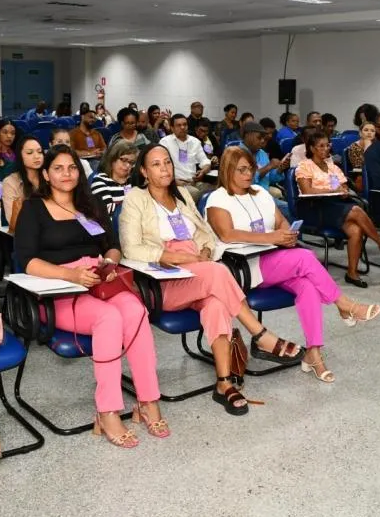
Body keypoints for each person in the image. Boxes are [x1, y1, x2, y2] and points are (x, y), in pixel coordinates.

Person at [119, 144, 304, 415]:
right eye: (156, 164)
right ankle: (261, 335)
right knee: (219, 273)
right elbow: (131, 248)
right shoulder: (136, 199)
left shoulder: (181, 194)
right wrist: (181, 258)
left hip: (199, 271)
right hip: (163, 281)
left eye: (167, 162)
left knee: (216, 304)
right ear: (144, 172)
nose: (165, 168)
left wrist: (204, 250)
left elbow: (205, 233)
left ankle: (224, 382)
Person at [14, 145, 165, 447]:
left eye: (72, 167)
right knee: (109, 319)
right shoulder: (33, 207)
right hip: (58, 289)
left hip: (99, 280)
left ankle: (148, 401)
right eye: (58, 168)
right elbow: (28, 260)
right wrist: (71, 275)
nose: (66, 174)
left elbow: (111, 245)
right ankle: (107, 410)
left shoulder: (91, 203)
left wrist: (109, 261)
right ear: (46, 173)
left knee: (135, 310)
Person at [207, 147, 380, 383]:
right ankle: (344, 304)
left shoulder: (260, 192)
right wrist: (272, 238)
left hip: (272, 257)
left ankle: (314, 353)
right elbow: (226, 234)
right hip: (243, 265)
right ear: (228, 171)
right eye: (242, 170)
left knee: (307, 286)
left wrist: (286, 235)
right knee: (306, 257)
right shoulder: (218, 197)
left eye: (251, 168)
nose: (248, 174)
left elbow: (282, 222)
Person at [296, 131, 380, 287]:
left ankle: (352, 273)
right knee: (356, 210)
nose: (325, 149)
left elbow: (340, 187)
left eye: (327, 145)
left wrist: (342, 192)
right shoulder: (304, 166)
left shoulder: (332, 167)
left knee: (355, 230)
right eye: (321, 146)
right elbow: (307, 191)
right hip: (315, 207)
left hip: (336, 205)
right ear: (312, 148)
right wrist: (330, 191)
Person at [238, 121, 289, 216]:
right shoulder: (237, 154)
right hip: (245, 199)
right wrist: (268, 166)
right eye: (259, 138)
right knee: (286, 211)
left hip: (264, 197)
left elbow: (270, 179)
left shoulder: (262, 153)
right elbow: (245, 182)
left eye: (263, 138)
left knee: (290, 209)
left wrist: (280, 169)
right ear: (248, 136)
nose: (262, 141)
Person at [159, 114, 212, 202]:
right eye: (178, 125)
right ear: (172, 128)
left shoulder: (195, 142)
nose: (182, 127)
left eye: (185, 124)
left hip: (193, 181)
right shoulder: (165, 142)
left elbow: (205, 161)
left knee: (214, 191)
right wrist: (172, 181)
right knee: (195, 194)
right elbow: (160, 167)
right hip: (175, 183)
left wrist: (203, 171)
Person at [2, 136, 44, 227]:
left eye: (39, 152)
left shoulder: (50, 177)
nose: (37, 156)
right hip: (28, 234)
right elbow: (14, 222)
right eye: (30, 153)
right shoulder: (10, 182)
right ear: (20, 156)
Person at [90, 141, 138, 214]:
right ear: (112, 158)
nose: (128, 165)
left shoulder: (133, 179)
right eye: (124, 160)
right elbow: (107, 209)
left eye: (131, 162)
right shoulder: (99, 180)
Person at [346, 120, 376, 191]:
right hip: (361, 176)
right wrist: (367, 146)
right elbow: (360, 166)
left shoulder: (378, 145)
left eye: (372, 131)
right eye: (366, 130)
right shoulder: (353, 147)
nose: (369, 133)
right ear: (360, 133)